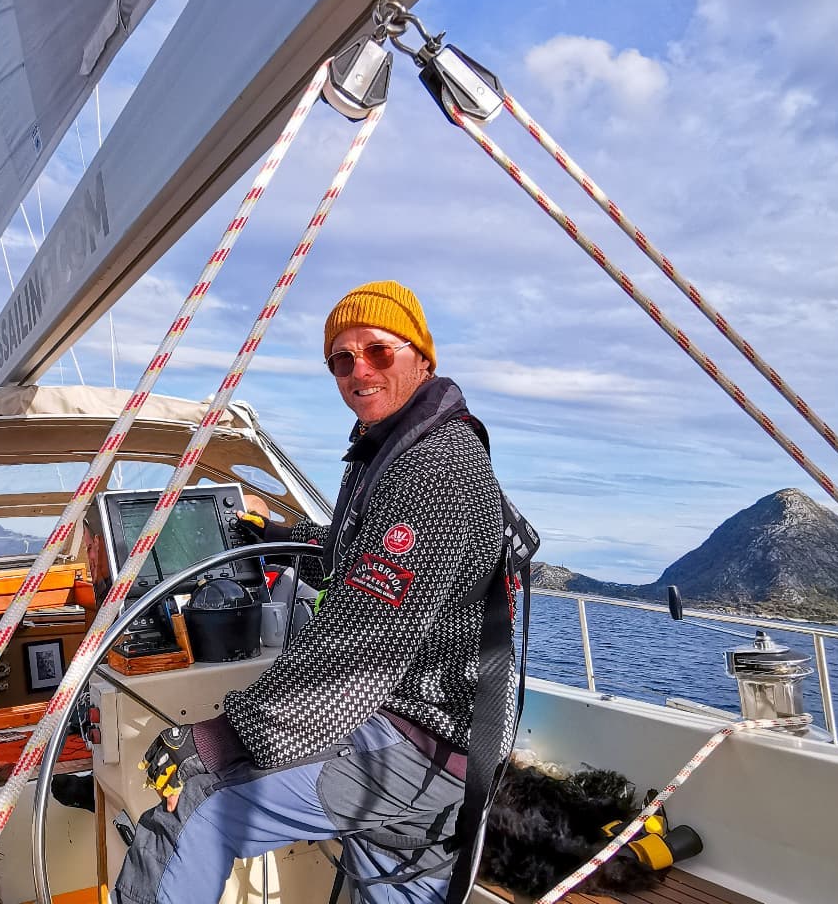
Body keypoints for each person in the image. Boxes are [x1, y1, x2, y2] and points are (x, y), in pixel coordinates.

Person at [112, 281, 527, 904]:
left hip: (415, 740)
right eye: (341, 358)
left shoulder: (435, 469)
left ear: (422, 357)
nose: (358, 370)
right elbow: (358, 554)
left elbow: (359, 647)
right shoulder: (391, 450)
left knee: (197, 804)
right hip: (448, 743)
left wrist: (215, 737)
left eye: (378, 352)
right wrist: (285, 536)